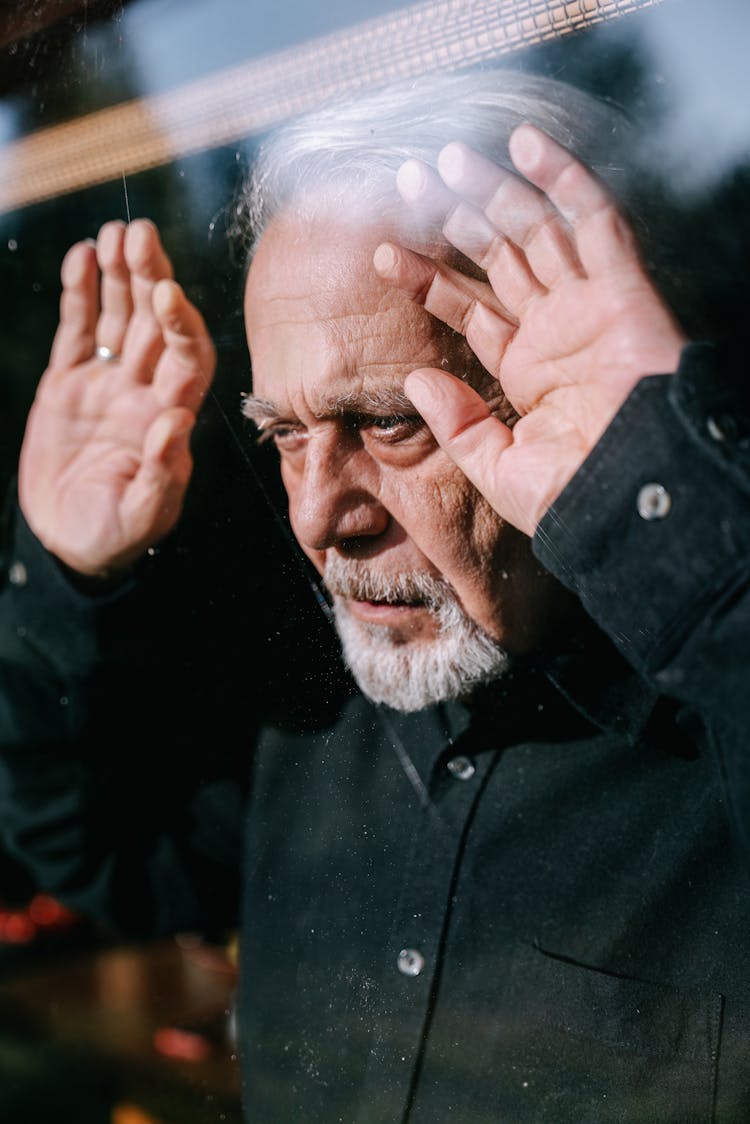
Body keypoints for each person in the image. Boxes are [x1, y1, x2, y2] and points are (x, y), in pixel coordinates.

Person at [0, 65, 749, 1122]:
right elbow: (94, 852)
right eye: (284, 433)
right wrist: (70, 572)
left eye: (390, 424)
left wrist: (660, 497)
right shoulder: (321, 723)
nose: (317, 514)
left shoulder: (712, 750)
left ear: (578, 396)